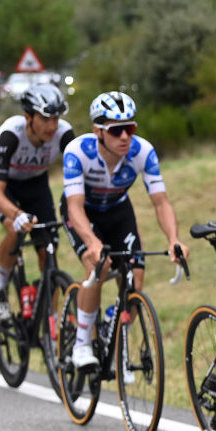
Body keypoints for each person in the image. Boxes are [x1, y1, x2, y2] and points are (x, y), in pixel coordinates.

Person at [61, 91, 189, 372]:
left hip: (118, 210)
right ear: (98, 131)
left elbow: (161, 202)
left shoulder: (143, 152)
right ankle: (82, 343)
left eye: (129, 128)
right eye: (116, 130)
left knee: (136, 280)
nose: (124, 137)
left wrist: (173, 239)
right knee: (100, 266)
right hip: (84, 212)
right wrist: (93, 242)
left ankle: (114, 336)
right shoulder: (78, 151)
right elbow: (74, 206)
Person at [0, 84, 75, 319]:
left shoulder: (64, 133)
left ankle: (49, 321)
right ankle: (0, 286)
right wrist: (16, 214)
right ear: (28, 117)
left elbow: (82, 172)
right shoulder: (11, 134)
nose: (52, 126)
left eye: (55, 118)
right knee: (15, 228)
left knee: (48, 247)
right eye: (44, 119)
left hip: (35, 182)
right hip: (1, 183)